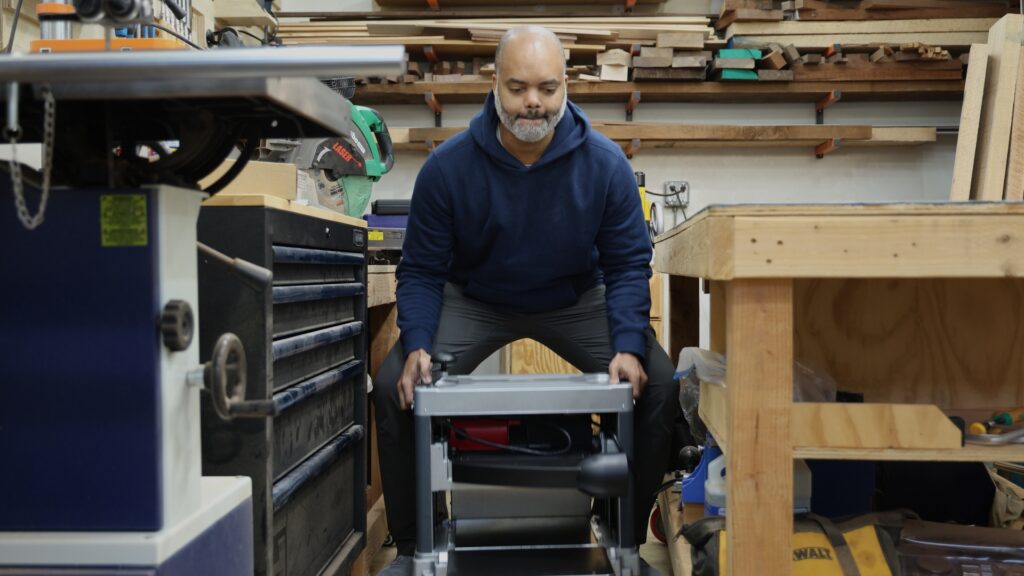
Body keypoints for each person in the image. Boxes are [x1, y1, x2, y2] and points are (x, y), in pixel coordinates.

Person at [374, 25, 678, 576]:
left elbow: (628, 265)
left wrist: (629, 344)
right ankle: (414, 547)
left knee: (656, 381)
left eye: (546, 87)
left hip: (574, 300)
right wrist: (417, 342)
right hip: (477, 300)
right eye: (517, 88)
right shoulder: (447, 168)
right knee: (396, 382)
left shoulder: (605, 165)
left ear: (566, 86)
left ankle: (625, 541)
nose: (532, 102)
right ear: (495, 84)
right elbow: (420, 270)